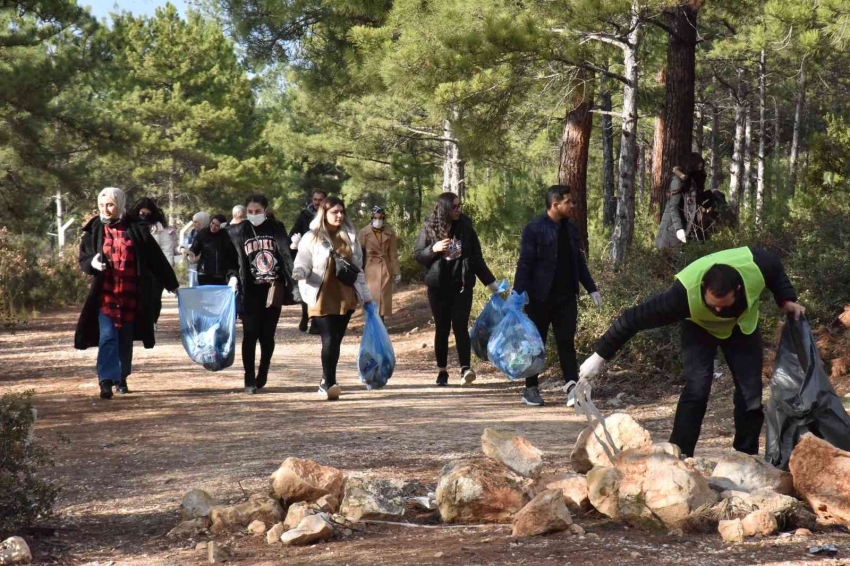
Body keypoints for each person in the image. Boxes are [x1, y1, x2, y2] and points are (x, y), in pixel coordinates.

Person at [578, 246, 806, 457]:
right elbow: (632, 319)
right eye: (712, 304)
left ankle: (745, 457)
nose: (717, 310)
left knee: (751, 394)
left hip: (741, 328)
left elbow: (775, 269)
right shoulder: (680, 296)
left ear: (738, 289)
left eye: (723, 305)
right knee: (697, 389)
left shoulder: (757, 265)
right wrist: (598, 357)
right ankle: (681, 453)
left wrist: (786, 299)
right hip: (699, 329)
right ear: (703, 288)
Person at [75, 187, 179, 399]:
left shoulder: (136, 229)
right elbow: (84, 259)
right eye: (102, 205)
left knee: (124, 337)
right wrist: (92, 263)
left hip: (131, 292)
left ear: (120, 204)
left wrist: (173, 285)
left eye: (111, 204)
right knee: (107, 336)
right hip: (106, 293)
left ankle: (121, 377)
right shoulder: (94, 229)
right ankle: (105, 380)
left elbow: (156, 260)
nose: (106, 209)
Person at [513, 185, 602, 407]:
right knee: (536, 344)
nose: (573, 205)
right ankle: (530, 389)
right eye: (569, 202)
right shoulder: (534, 229)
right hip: (538, 297)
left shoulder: (571, 229)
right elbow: (525, 263)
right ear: (555, 205)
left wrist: (591, 288)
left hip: (566, 297)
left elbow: (578, 262)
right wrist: (517, 294)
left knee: (566, 342)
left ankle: (572, 388)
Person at [414, 192, 500, 387]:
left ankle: (465, 369)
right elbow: (418, 256)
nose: (458, 209)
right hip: (438, 287)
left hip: (462, 286)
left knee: (460, 327)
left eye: (459, 205)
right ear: (445, 209)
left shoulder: (466, 226)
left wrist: (492, 285)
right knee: (442, 328)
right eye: (454, 207)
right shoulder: (429, 227)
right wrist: (433, 249)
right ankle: (442, 371)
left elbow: (477, 258)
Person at [293, 196, 372, 400]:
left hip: (346, 294)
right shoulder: (311, 237)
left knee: (336, 340)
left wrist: (366, 297)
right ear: (324, 214)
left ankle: (326, 379)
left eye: (341, 212)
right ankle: (330, 383)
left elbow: (358, 269)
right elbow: (302, 261)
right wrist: (299, 272)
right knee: (328, 339)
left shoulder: (350, 236)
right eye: (334, 212)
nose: (339, 215)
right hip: (320, 294)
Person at [225, 195, 300, 394]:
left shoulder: (276, 228)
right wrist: (232, 277)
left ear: (265, 211)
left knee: (267, 336)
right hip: (250, 289)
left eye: (257, 211)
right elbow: (230, 258)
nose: (253, 215)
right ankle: (248, 377)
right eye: (250, 211)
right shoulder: (238, 231)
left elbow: (285, 254)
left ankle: (263, 368)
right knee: (250, 334)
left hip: (273, 288)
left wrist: (294, 248)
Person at [126, 198, 177, 326]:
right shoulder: (131, 227)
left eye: (148, 214)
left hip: (156, 269)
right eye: (142, 214)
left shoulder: (160, 229)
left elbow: (167, 250)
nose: (145, 217)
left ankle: (152, 321)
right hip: (138, 268)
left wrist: (167, 272)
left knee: (154, 297)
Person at [290, 190, 327, 332]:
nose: (317, 202)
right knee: (308, 286)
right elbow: (293, 232)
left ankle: (316, 322)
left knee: (322, 288)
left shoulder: (329, 215)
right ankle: (306, 315)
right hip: (307, 254)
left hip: (322, 254)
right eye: (315, 199)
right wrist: (295, 241)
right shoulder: (304, 215)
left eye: (320, 199)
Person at [656, 153, 708, 249]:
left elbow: (694, 202)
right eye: (698, 167)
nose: (701, 170)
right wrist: (679, 229)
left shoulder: (693, 183)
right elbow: (673, 207)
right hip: (672, 228)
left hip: (688, 226)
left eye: (701, 167)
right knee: (670, 257)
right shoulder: (678, 181)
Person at [358, 206, 401, 321]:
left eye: (380, 218)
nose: (378, 220)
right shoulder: (363, 232)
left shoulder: (390, 232)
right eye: (376, 218)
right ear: (372, 218)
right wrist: (358, 270)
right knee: (370, 297)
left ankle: (381, 323)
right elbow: (359, 253)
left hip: (384, 267)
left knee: (382, 297)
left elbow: (393, 253)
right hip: (369, 268)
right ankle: (371, 323)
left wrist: (397, 272)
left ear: (384, 218)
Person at [189, 214, 230, 286]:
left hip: (221, 274)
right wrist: (190, 253)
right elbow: (195, 248)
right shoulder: (203, 233)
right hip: (204, 273)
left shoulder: (226, 235)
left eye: (217, 226)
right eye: (212, 223)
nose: (213, 227)